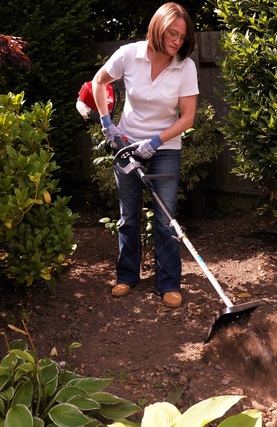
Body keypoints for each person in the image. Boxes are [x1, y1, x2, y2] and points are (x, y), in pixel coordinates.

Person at [92, 2, 199, 308]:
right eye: (172, 33)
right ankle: (126, 277)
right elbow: (99, 82)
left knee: (166, 221)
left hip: (164, 149)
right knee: (128, 216)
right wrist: (106, 123)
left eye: (182, 36)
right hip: (126, 146)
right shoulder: (129, 54)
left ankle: (168, 283)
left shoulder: (185, 66)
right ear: (158, 27)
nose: (177, 41)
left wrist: (155, 141)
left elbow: (187, 117)